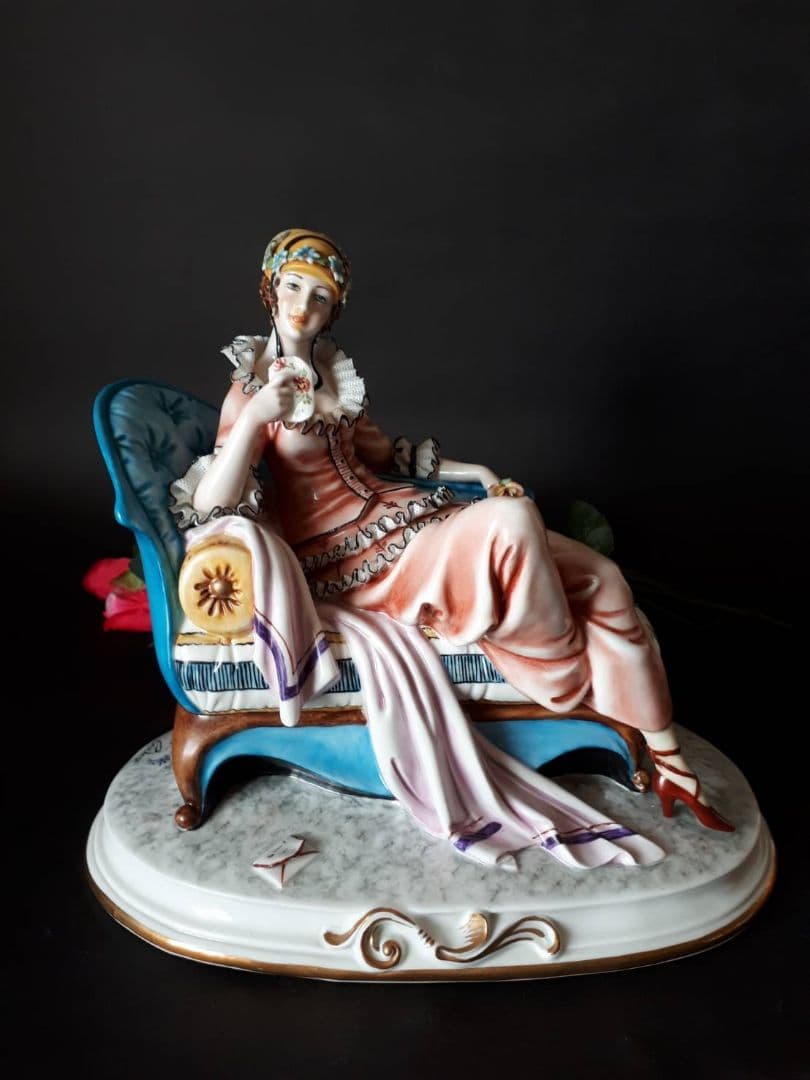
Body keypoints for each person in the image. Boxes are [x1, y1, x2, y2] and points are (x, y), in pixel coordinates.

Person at [169, 227, 731, 871]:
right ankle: (557, 670)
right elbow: (212, 500)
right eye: (293, 287)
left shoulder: (332, 375)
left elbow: (389, 456)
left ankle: (669, 762)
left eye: (320, 297)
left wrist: (477, 473)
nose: (303, 307)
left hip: (409, 518)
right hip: (354, 563)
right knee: (513, 521)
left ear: (334, 310)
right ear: (271, 291)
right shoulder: (250, 388)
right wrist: (255, 417)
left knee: (603, 576)